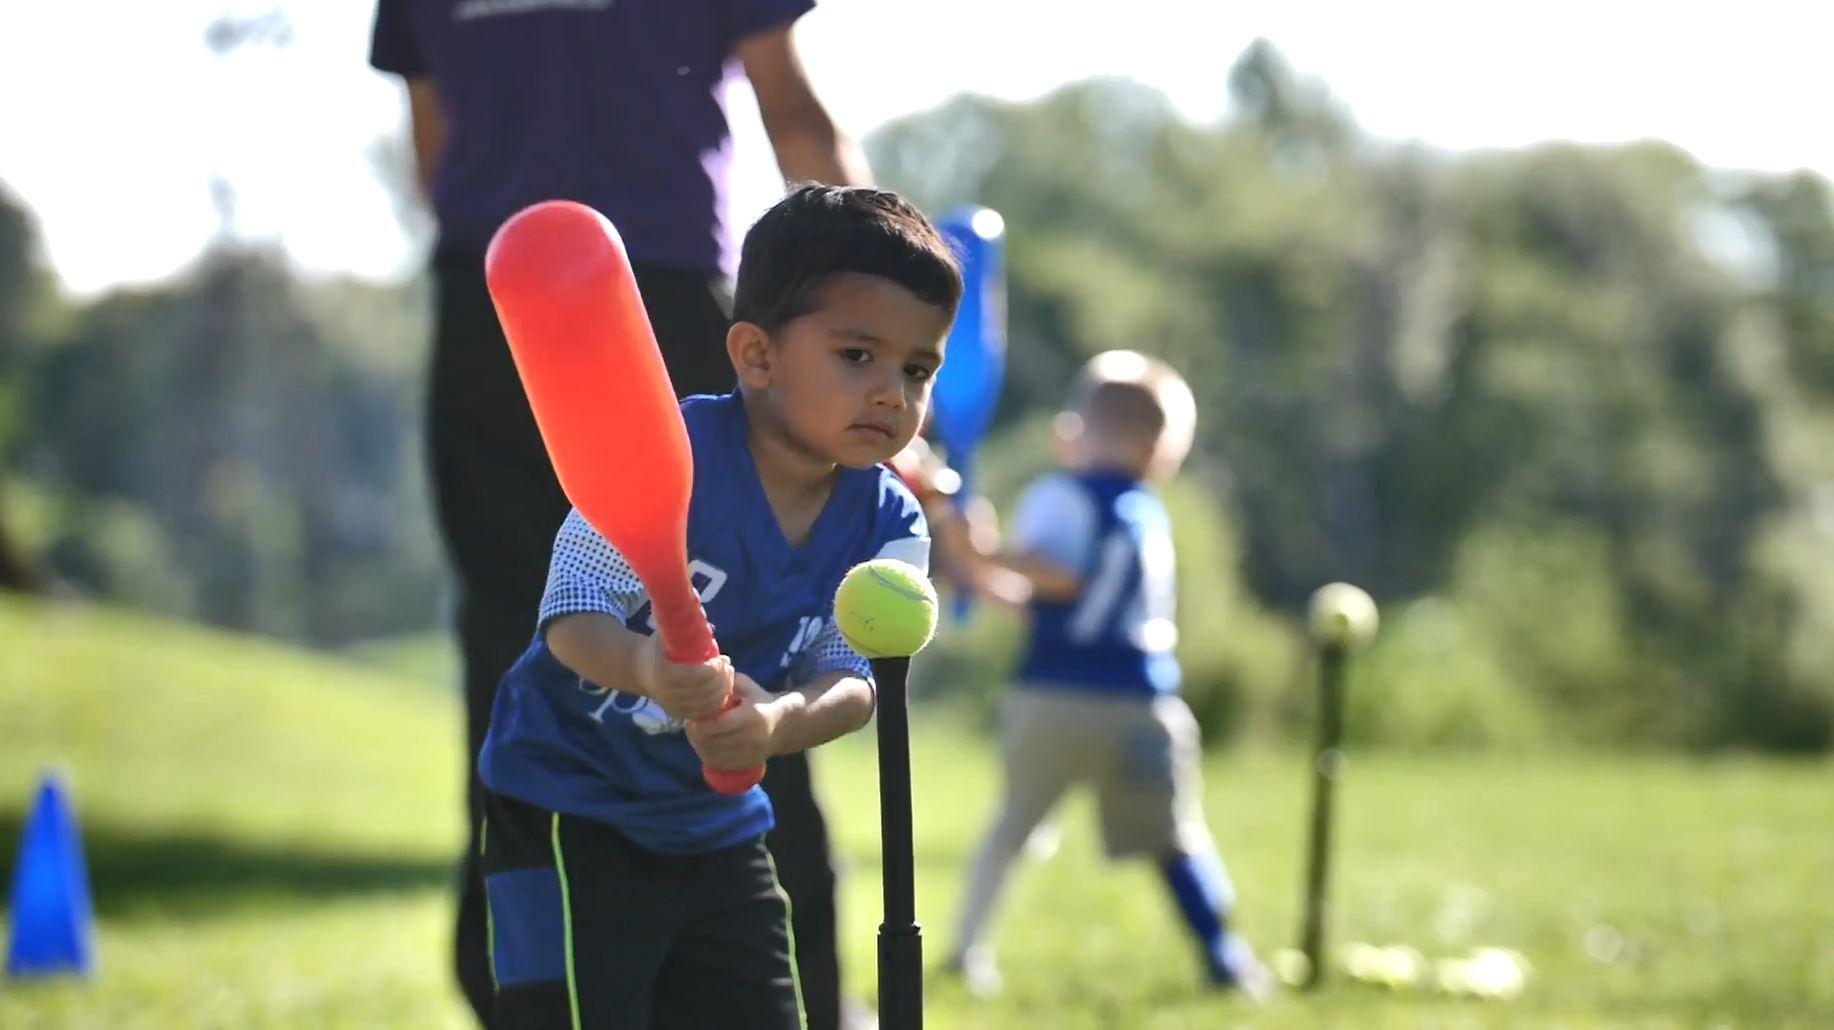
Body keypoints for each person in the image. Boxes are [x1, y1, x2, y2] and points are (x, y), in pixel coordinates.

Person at [365, 4, 872, 1024]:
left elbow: (434, 156)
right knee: (742, 641)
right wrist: (867, 333)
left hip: (497, 310)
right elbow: (795, 118)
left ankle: (525, 989)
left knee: (517, 650)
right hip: (665, 302)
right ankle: (799, 995)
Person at [474, 184, 960, 1028]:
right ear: (757, 356)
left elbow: (854, 681)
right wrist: (644, 665)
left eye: (917, 370)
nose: (892, 392)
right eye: (857, 355)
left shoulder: (889, 522)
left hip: (719, 824)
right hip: (568, 804)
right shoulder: (663, 453)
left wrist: (778, 722)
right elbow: (571, 617)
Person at [934, 350, 1270, 998]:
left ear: (1072, 432)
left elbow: (1060, 577)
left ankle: (967, 952)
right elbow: (1050, 600)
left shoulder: (1060, 495)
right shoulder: (1149, 514)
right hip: (1141, 702)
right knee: (1175, 839)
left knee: (1012, 828)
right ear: (1162, 454)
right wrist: (979, 567)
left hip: (1055, 695)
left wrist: (986, 552)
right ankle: (1224, 955)